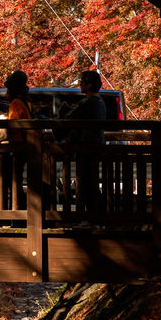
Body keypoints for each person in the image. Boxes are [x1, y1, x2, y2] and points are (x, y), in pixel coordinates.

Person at [62, 70, 106, 216]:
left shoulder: (88, 101)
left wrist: (64, 111)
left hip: (86, 145)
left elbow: (70, 117)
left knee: (86, 182)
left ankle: (90, 216)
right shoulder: (100, 101)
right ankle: (96, 216)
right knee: (91, 181)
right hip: (96, 144)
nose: (80, 84)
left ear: (89, 85)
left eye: (82, 82)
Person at [4, 69, 32, 210]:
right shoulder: (26, 102)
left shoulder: (15, 103)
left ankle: (17, 212)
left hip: (17, 144)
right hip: (26, 143)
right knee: (18, 179)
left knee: (14, 180)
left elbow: (13, 125)